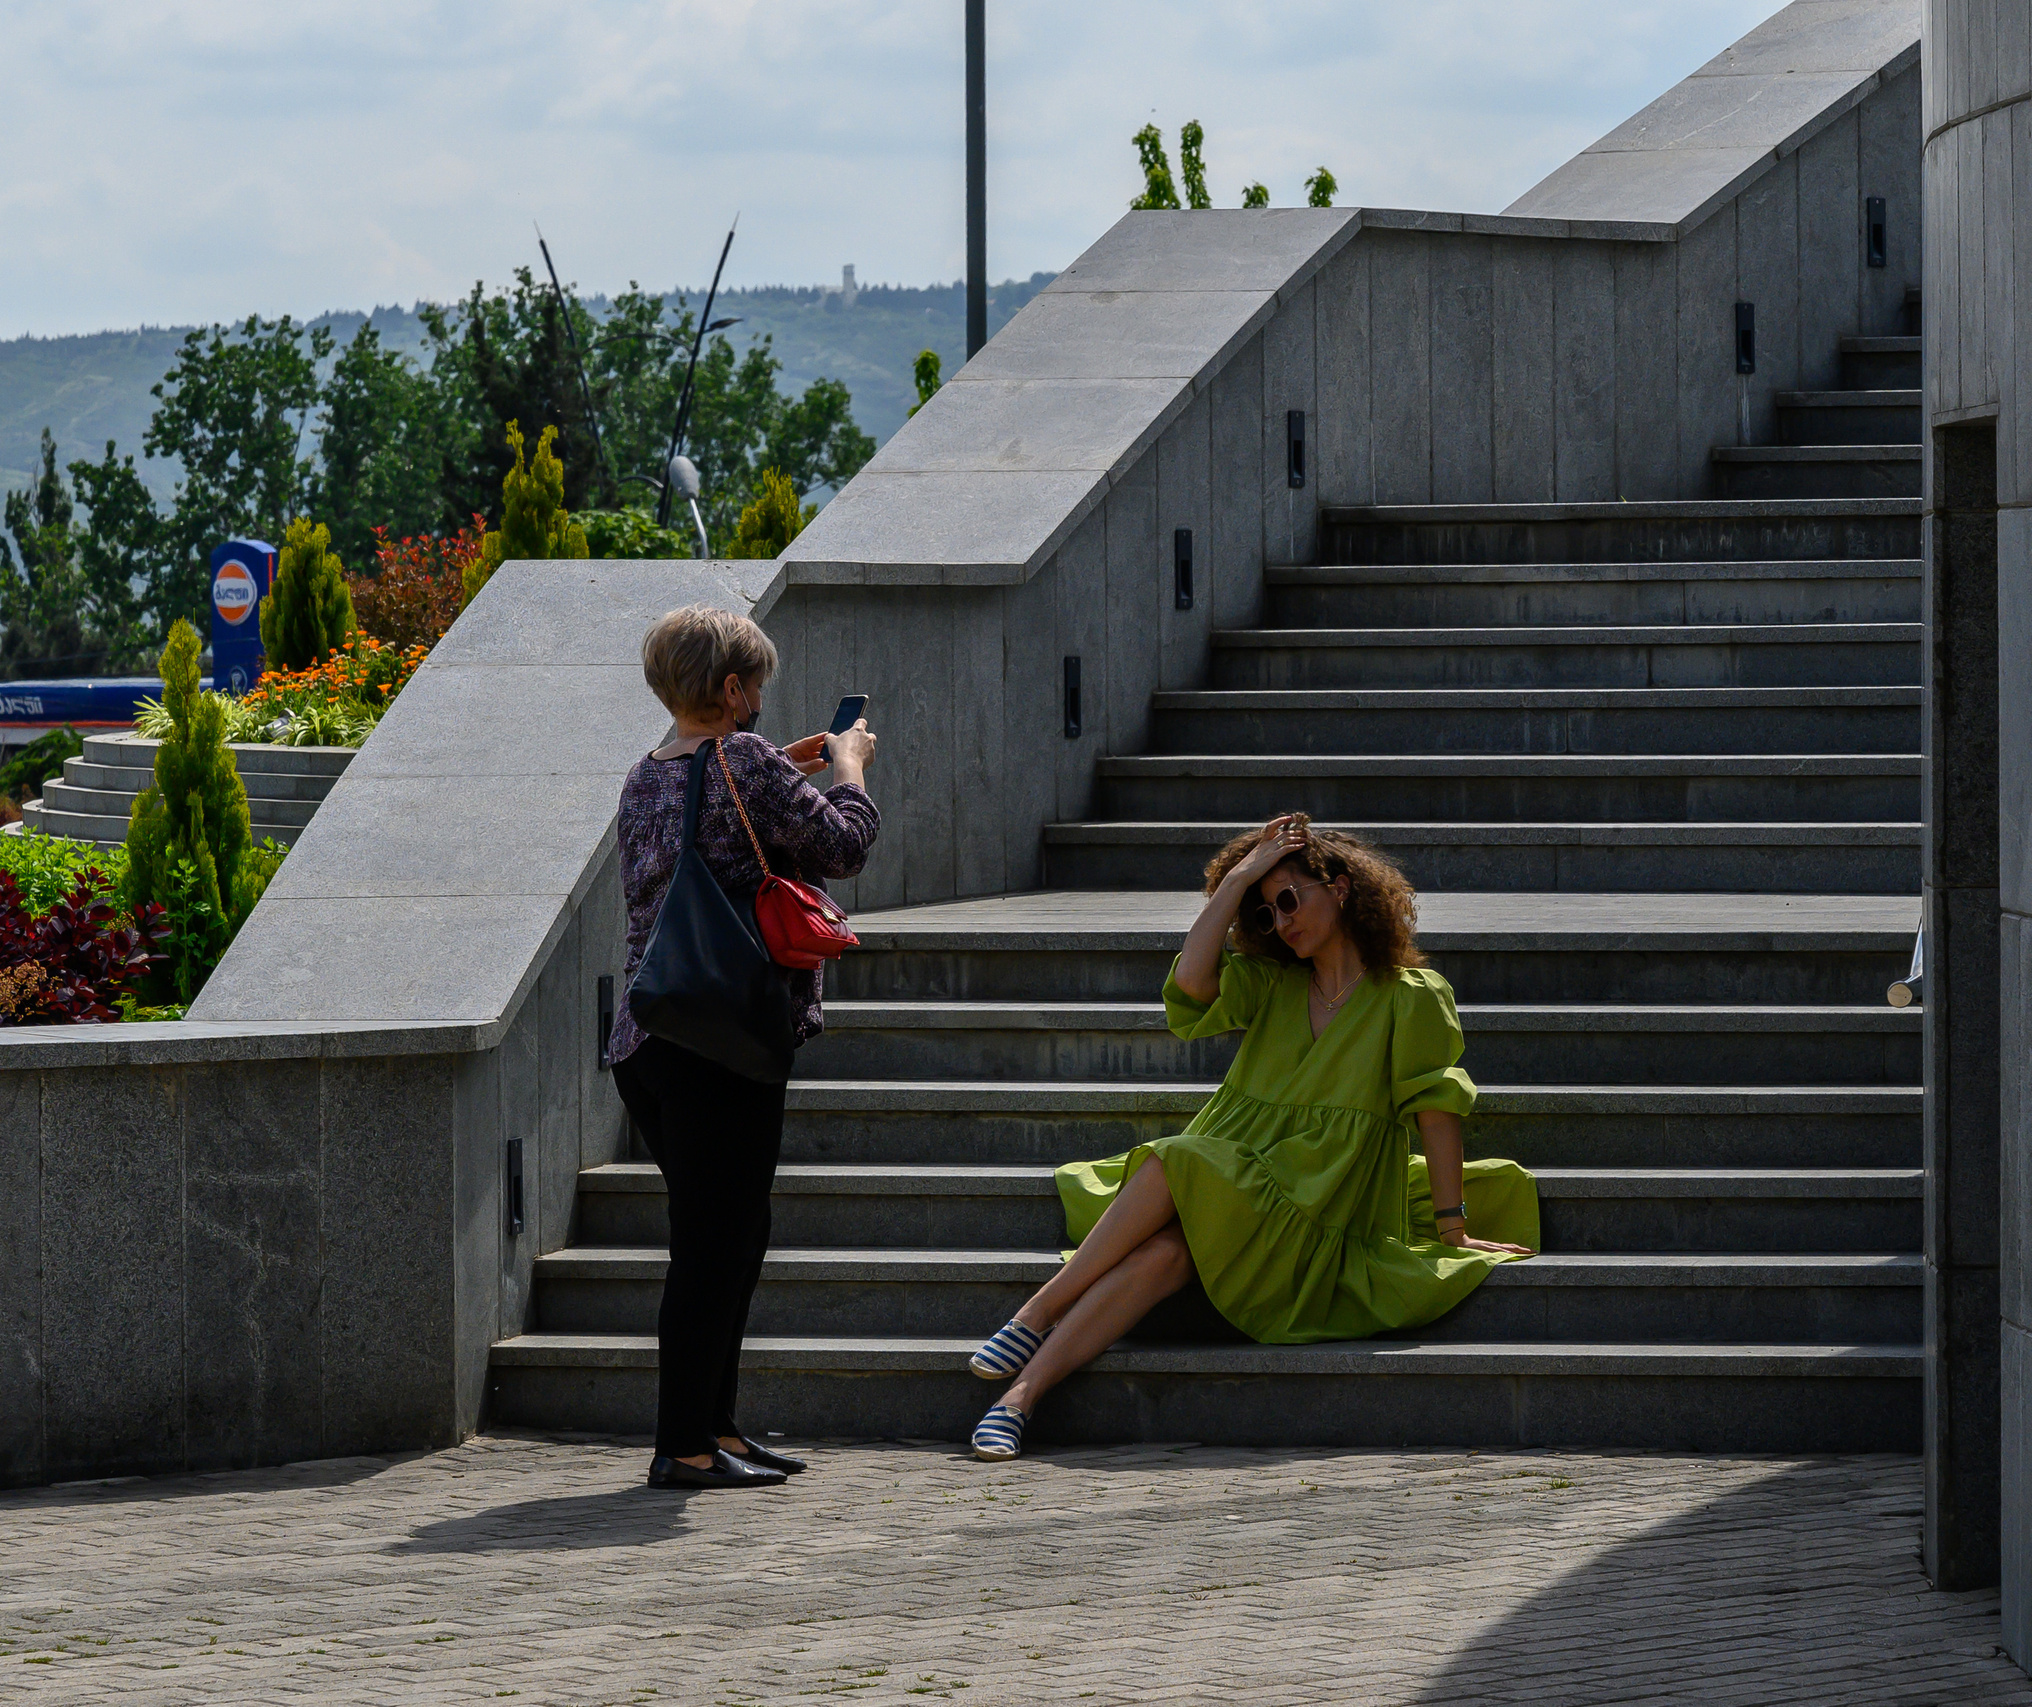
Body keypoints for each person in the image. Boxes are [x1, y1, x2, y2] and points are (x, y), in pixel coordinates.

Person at [963, 814, 1537, 1462]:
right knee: (1165, 1255)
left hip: (1315, 1206)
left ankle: (1034, 1314)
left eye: (1289, 898)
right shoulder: (1272, 984)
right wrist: (1238, 878)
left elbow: (1437, 1111)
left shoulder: (1411, 996)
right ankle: (1017, 1399)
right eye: (1264, 913)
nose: (1280, 921)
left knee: (1175, 1157)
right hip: (1237, 1187)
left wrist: (1452, 1226)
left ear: (1341, 888)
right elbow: (1190, 982)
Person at [609, 604, 879, 1490]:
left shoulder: (648, 773)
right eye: (755, 681)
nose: (762, 694)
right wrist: (846, 768)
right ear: (730, 689)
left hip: (651, 1039)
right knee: (711, 1247)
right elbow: (846, 844)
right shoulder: (747, 762)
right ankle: (682, 1444)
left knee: (731, 1237)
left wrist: (786, 769)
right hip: (722, 1042)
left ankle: (714, 1426)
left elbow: (718, 822)